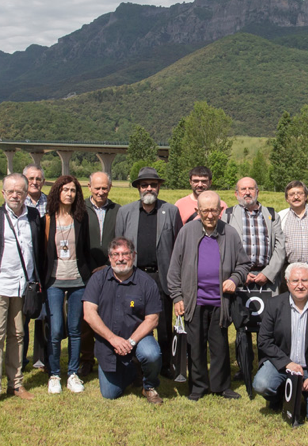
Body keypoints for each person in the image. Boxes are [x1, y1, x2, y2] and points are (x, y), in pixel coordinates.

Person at [168, 191, 250, 400]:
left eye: (213, 210)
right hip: (193, 301)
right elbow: (174, 268)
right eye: (205, 211)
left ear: (221, 210)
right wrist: (177, 297)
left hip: (220, 302)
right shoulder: (187, 232)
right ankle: (198, 386)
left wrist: (234, 279)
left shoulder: (230, 234)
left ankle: (221, 385)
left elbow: (243, 264)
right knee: (195, 346)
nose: (210, 215)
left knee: (220, 346)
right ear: (197, 211)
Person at [0, 174, 46, 410]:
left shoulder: (34, 217)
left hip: (23, 286)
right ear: (3, 193)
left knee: (18, 335)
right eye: (11, 191)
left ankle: (15, 384)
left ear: (27, 194)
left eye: (20, 191)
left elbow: (40, 252)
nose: (16, 195)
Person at [112, 167, 182, 379]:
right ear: (138, 189)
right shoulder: (125, 212)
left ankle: (165, 364)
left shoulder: (170, 211)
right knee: (134, 318)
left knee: (162, 323)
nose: (149, 188)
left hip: (161, 278)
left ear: (159, 187)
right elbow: (119, 245)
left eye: (153, 184)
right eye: (144, 185)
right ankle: (134, 363)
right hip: (136, 278)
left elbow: (178, 246)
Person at [253, 262, 308, 423]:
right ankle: (280, 396)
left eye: (304, 280)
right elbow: (264, 340)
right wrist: (287, 364)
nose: (300, 285)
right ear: (287, 283)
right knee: (261, 384)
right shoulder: (274, 305)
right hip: (284, 366)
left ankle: (306, 395)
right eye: (295, 281)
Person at [82, 237, 164, 404]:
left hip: (139, 338)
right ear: (110, 256)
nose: (120, 258)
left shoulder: (146, 282)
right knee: (110, 394)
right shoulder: (98, 279)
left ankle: (149, 385)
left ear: (133, 255)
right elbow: (89, 314)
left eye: (125, 254)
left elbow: (153, 319)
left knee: (151, 354)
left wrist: (131, 342)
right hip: (108, 341)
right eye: (116, 254)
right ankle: (133, 371)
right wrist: (113, 339)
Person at [223, 176, 283, 389]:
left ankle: (266, 364)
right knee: (243, 325)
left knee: (268, 324)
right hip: (241, 278)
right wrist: (240, 273)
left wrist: (268, 273)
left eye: (251, 188)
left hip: (266, 278)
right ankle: (244, 366)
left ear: (257, 191)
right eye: (243, 189)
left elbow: (280, 247)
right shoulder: (229, 214)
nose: (247, 192)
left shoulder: (271, 214)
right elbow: (225, 247)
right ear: (236, 193)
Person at [39, 175, 94, 394]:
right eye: (65, 190)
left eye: (73, 190)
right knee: (55, 330)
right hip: (54, 281)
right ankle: (54, 374)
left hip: (77, 281)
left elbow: (86, 250)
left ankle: (72, 373)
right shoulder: (47, 218)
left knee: (75, 329)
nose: (69, 194)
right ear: (57, 192)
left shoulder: (81, 217)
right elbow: (41, 252)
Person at [79, 171, 120, 376]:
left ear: (110, 188)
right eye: (97, 188)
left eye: (104, 188)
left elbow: (120, 242)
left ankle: (110, 356)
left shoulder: (118, 210)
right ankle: (86, 359)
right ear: (89, 187)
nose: (101, 192)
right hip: (86, 272)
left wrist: (108, 266)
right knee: (86, 319)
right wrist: (89, 268)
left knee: (110, 316)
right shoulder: (80, 210)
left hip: (112, 271)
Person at [21, 163, 50, 375]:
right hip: (23, 264)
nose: (34, 182)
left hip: (45, 264)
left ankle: (41, 357)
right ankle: (20, 357)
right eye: (30, 178)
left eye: (38, 178)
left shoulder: (50, 203)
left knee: (43, 314)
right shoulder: (17, 201)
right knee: (21, 315)